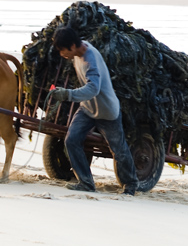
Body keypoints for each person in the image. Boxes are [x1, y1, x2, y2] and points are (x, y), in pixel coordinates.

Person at [50, 26, 139, 195]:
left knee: (118, 150)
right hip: (87, 108)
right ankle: (86, 182)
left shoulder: (89, 59)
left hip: (107, 111)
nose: (62, 55)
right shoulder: (78, 52)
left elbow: (93, 89)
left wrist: (67, 94)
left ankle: (131, 184)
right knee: (71, 140)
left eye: (62, 51)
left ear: (72, 46)